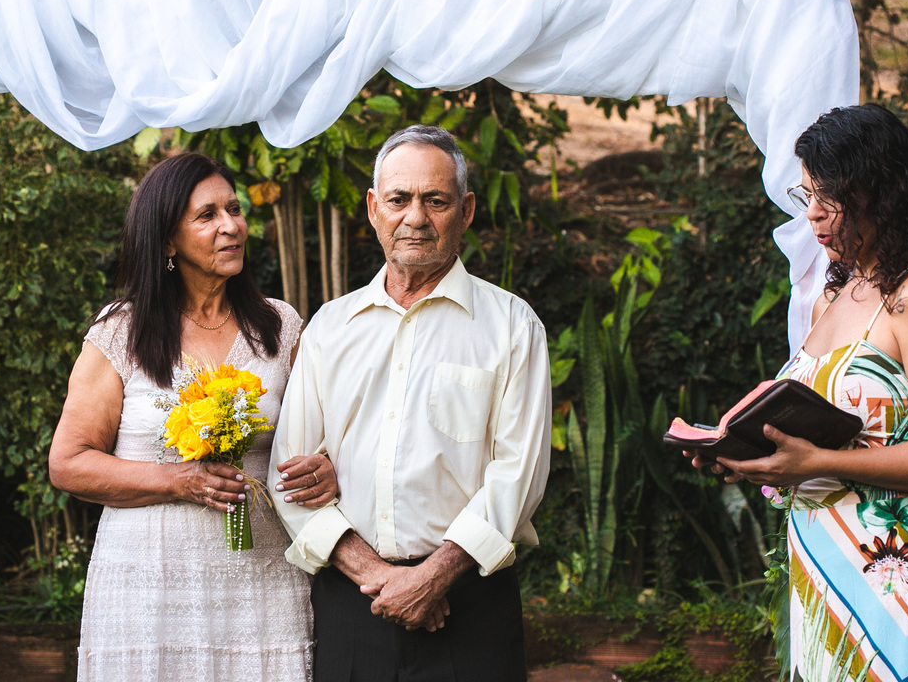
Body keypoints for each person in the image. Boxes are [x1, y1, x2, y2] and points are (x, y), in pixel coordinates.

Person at [698, 104, 908, 681]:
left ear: (876, 192)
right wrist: (752, 456)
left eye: (826, 198)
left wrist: (819, 462)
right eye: (804, 195)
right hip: (829, 585)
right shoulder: (834, 295)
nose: (811, 217)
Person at [269, 125, 552, 682]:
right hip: (352, 604)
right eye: (399, 199)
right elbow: (290, 476)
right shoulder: (330, 326)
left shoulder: (513, 327)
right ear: (374, 208)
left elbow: (518, 476)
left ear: (466, 210)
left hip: (470, 602)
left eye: (436, 200)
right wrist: (379, 575)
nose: (415, 217)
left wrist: (433, 577)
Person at [49, 152, 339, 682]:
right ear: (166, 240)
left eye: (234, 208)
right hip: (146, 587)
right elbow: (68, 463)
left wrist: (324, 467)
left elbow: (318, 443)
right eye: (206, 215)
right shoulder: (123, 331)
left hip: (261, 582)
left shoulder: (280, 327)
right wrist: (175, 480)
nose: (231, 226)